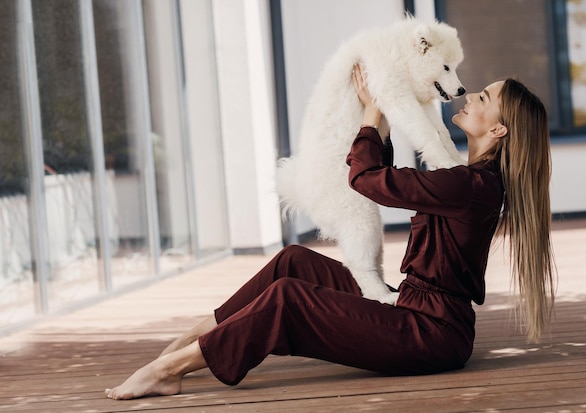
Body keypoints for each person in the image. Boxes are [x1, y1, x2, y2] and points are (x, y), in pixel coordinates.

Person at [105, 65, 556, 400]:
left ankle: (173, 368)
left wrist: (371, 113)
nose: (472, 95)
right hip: (413, 306)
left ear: (498, 128)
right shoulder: (466, 177)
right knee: (293, 261)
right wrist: (378, 118)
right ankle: (184, 344)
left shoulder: (471, 184)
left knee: (288, 298)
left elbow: (367, 179)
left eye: (484, 98)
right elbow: (389, 175)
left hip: (429, 332)